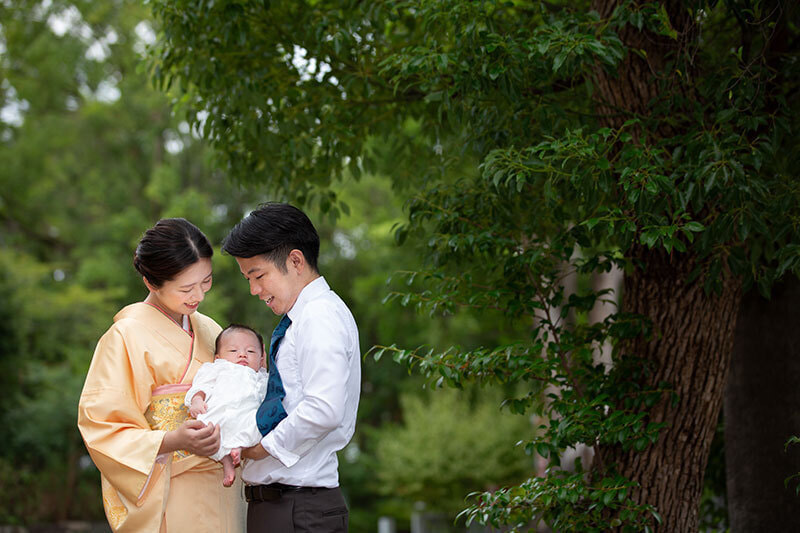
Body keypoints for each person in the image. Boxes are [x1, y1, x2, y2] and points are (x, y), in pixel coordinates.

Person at [77, 218, 246, 533]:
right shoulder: (124, 337)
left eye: (206, 282)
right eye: (186, 288)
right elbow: (102, 426)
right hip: (172, 490)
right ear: (151, 282)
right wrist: (172, 440)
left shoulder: (210, 330)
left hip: (224, 486)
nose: (198, 296)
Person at [222, 202, 361, 532]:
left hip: (297, 509)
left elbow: (324, 409)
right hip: (290, 507)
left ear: (295, 260)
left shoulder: (319, 317)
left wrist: (260, 449)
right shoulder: (304, 318)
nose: (254, 290)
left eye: (258, 276)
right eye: (248, 279)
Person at [185, 324, 268, 487]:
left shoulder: (261, 376)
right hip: (222, 411)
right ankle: (225, 460)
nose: (243, 354)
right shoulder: (217, 368)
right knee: (210, 431)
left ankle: (239, 448)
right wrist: (197, 400)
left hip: (248, 414)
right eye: (233, 351)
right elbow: (202, 385)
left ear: (261, 358)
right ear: (218, 357)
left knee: (256, 427)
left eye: (251, 351)